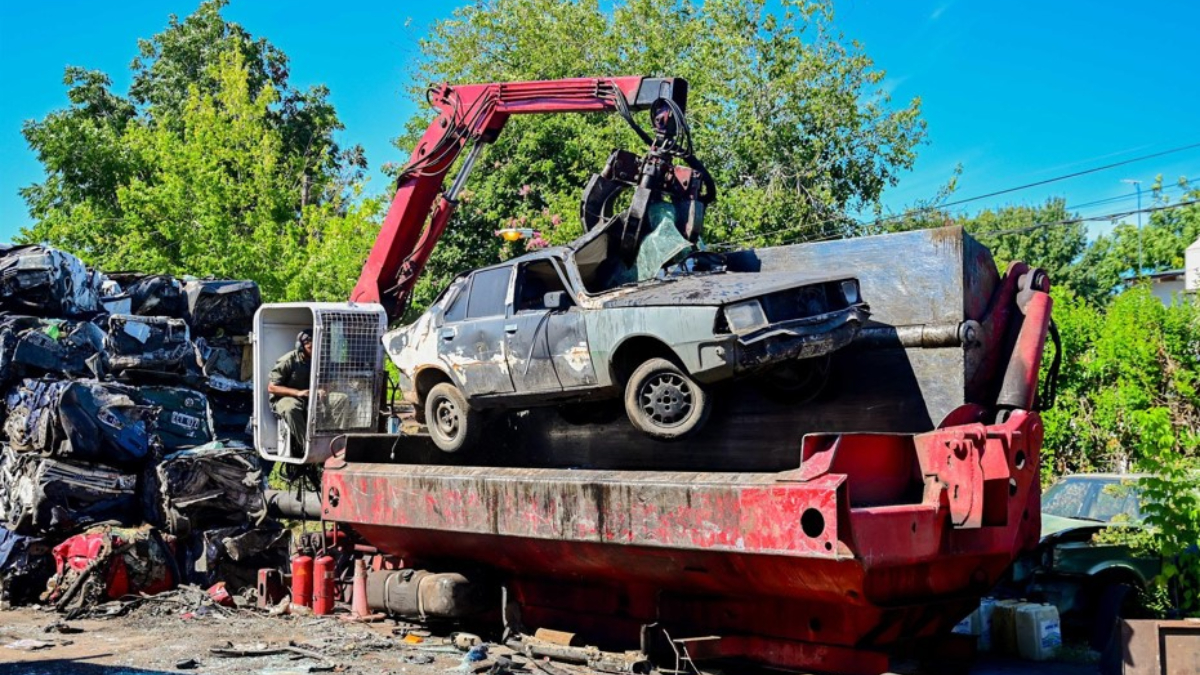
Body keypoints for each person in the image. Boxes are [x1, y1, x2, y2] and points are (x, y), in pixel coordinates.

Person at [268, 329, 313, 455]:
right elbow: (272, 388)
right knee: (290, 407)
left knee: (340, 399)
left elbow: (329, 381)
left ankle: (337, 444)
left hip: (311, 397)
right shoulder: (287, 360)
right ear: (301, 347)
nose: (314, 350)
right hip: (285, 398)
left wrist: (323, 389)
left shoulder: (320, 360)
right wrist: (298, 393)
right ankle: (307, 447)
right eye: (310, 347)